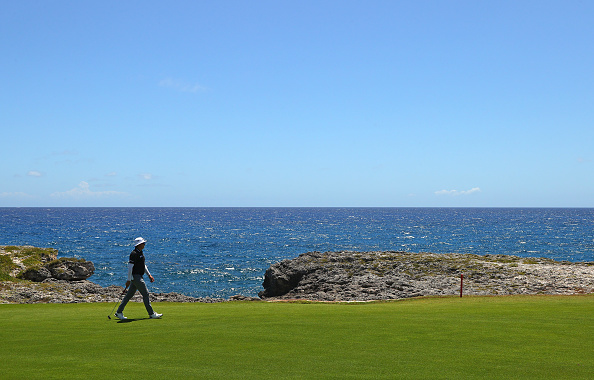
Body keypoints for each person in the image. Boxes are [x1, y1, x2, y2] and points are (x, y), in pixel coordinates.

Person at [114, 237, 162, 320]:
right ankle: (151, 313)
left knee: (129, 295)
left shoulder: (140, 253)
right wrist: (128, 280)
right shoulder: (134, 254)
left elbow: (143, 265)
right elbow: (130, 267)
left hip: (138, 276)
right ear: (139, 244)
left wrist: (149, 275)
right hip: (136, 277)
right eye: (143, 243)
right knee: (146, 294)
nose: (144, 244)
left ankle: (119, 312)